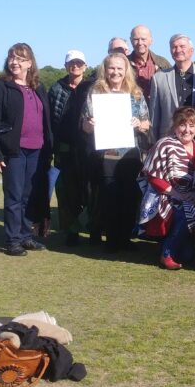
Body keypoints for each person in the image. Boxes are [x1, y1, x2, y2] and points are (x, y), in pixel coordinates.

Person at [0, 43, 52, 256]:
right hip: (13, 151)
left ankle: (25, 236)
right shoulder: (0, 87)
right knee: (14, 196)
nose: (15, 62)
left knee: (29, 196)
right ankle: (13, 240)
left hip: (37, 150)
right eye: (12, 58)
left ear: (30, 63)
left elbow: (47, 120)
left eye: (20, 59)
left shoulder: (38, 87)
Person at [81, 52, 152, 253]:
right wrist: (90, 125)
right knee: (110, 198)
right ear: (105, 70)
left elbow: (147, 123)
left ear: (126, 70)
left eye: (120, 68)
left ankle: (125, 239)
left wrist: (139, 124)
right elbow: (84, 125)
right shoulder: (96, 93)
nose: (115, 72)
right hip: (107, 154)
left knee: (129, 198)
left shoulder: (135, 93)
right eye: (111, 68)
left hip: (130, 154)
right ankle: (112, 240)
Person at [138, 107, 195, 270]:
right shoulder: (164, 145)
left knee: (188, 257)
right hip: (166, 196)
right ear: (175, 126)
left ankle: (182, 244)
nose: (187, 130)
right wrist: (177, 194)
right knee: (185, 211)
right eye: (182, 125)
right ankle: (166, 253)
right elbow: (153, 177)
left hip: (193, 197)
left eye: (191, 125)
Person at [48, 49, 88, 247]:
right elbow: (49, 120)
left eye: (79, 63)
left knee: (88, 191)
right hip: (64, 148)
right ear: (66, 66)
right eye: (72, 63)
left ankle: (92, 228)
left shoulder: (92, 87)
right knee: (67, 192)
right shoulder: (56, 88)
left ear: (85, 67)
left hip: (87, 147)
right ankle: (71, 231)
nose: (75, 66)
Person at [149, 34, 195, 141]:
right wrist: (153, 141)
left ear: (191, 51)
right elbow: (154, 114)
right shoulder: (159, 78)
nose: (178, 50)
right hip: (169, 138)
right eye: (174, 47)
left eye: (182, 46)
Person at [128, 25, 171, 102]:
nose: (140, 43)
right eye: (136, 39)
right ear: (131, 40)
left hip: (157, 108)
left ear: (151, 40)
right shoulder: (124, 63)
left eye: (143, 39)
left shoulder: (163, 63)